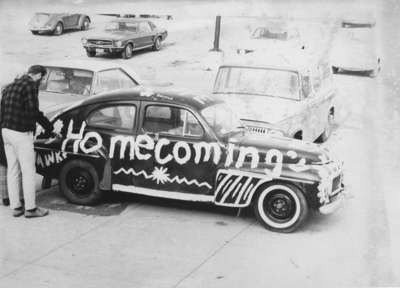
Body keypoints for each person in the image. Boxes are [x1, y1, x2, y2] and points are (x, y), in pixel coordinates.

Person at [0, 65, 54, 217]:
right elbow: (33, 112)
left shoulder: (10, 86)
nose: (42, 82)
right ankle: (31, 209)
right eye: (42, 78)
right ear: (37, 75)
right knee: (28, 171)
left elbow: (2, 112)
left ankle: (16, 207)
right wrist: (48, 128)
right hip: (21, 134)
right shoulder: (30, 85)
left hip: (6, 132)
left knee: (13, 170)